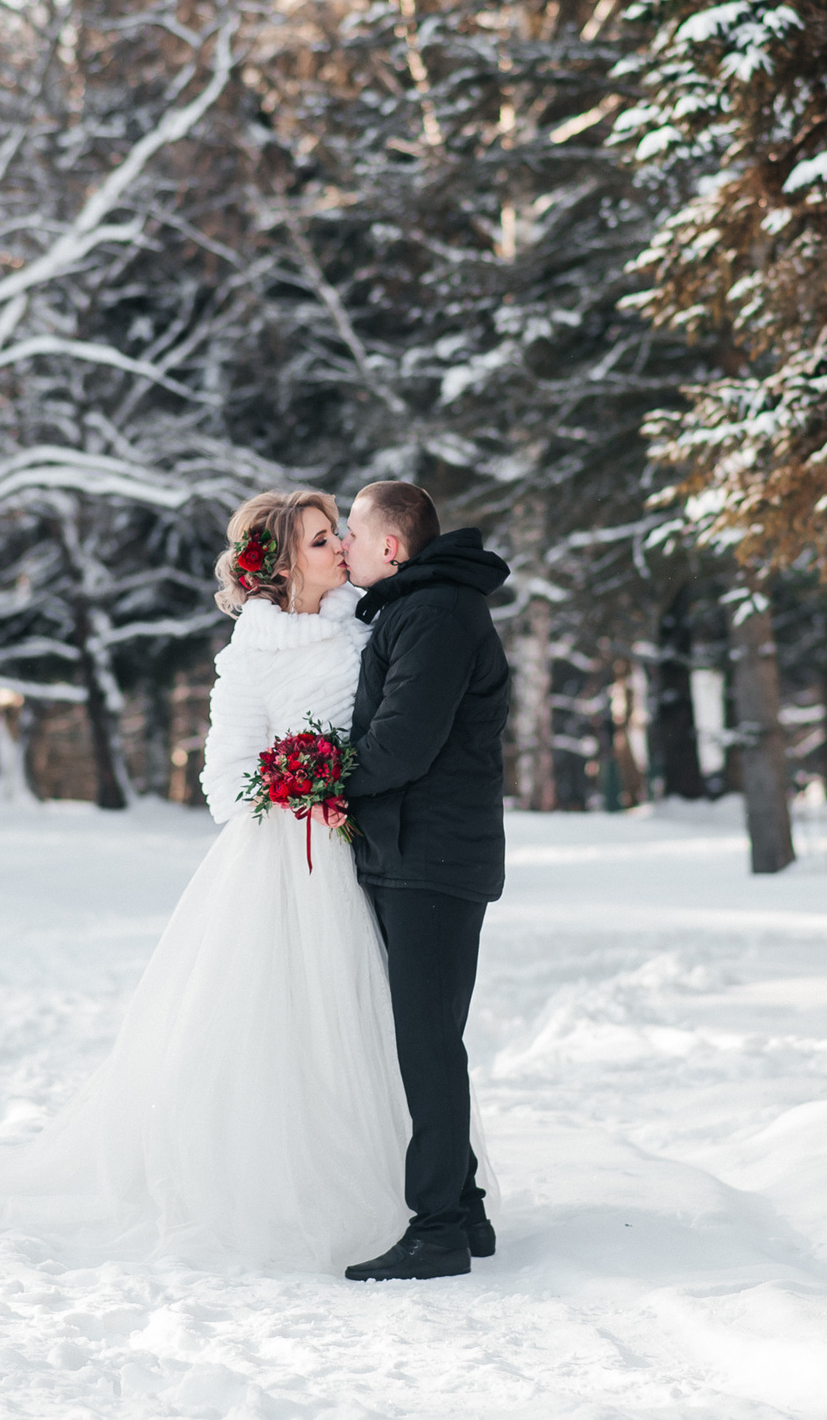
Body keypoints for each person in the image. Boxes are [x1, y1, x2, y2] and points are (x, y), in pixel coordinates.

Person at [5, 490, 410, 1270]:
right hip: (283, 864)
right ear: (286, 562)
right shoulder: (252, 654)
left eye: (339, 535)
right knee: (284, 1025)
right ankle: (278, 1186)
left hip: (365, 844)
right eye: (324, 539)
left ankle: (395, 1180)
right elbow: (225, 780)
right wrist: (302, 780)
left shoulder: (368, 621)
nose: (342, 547)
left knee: (365, 1020)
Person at [337, 480, 511, 1281]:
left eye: (352, 532)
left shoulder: (435, 614)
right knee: (429, 1036)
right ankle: (465, 1210)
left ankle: (436, 1226)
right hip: (420, 854)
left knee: (427, 1045)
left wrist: (325, 782)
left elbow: (402, 743)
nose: (342, 544)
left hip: (431, 860)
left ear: (392, 547)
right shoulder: (422, 607)